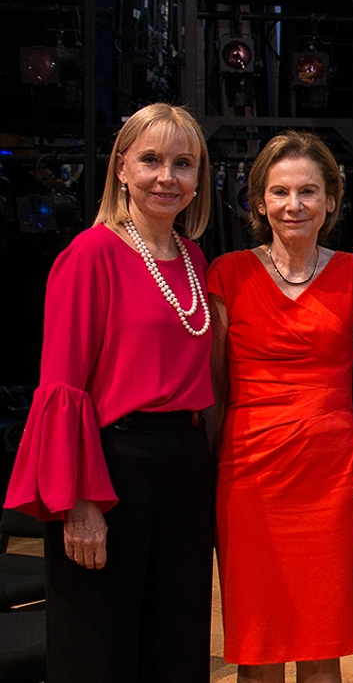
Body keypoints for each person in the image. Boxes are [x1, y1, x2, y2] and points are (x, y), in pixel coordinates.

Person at [3, 103, 215, 681]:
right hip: (111, 467)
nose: (167, 177)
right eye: (150, 160)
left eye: (183, 163)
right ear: (121, 168)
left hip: (184, 468)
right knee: (98, 651)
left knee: (177, 645)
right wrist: (80, 502)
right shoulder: (91, 254)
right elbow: (61, 388)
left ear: (199, 178)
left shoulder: (195, 259)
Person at [208, 131, 353, 683]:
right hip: (249, 475)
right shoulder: (227, 275)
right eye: (280, 192)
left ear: (332, 198)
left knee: (320, 638)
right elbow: (215, 386)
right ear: (259, 201)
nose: (294, 205)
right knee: (258, 642)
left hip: (328, 476)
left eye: (309, 191)